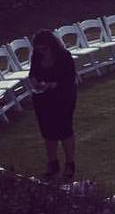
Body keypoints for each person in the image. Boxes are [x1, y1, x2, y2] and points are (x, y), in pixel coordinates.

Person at [27, 30, 78, 180]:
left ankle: (70, 163)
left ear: (52, 45)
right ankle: (52, 163)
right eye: (38, 49)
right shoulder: (37, 56)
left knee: (64, 129)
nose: (41, 52)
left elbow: (70, 77)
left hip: (63, 96)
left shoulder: (64, 56)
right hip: (43, 98)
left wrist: (54, 84)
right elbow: (33, 73)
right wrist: (36, 82)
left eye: (44, 49)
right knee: (48, 131)